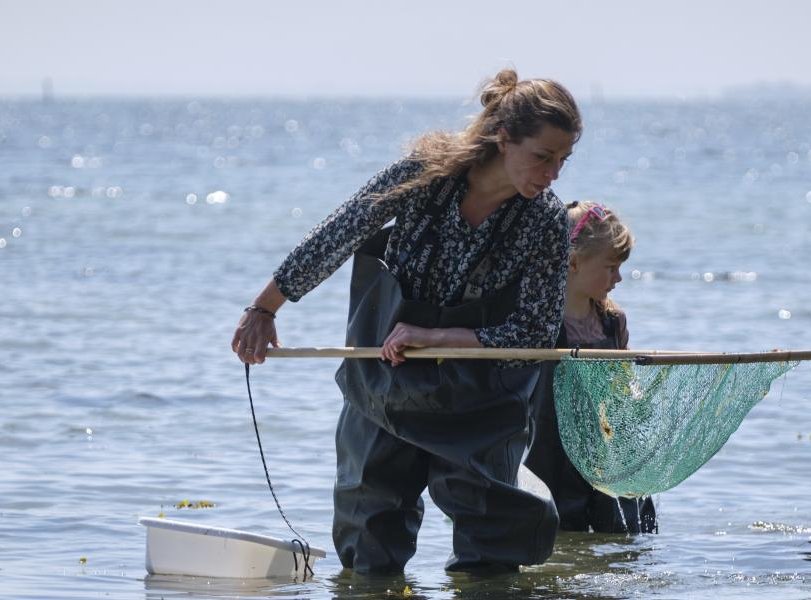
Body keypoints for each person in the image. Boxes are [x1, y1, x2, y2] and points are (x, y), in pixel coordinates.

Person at [230, 69, 581, 573]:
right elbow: (339, 232)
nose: (552, 175)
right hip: (383, 385)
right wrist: (263, 308)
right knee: (369, 546)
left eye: (562, 161)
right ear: (503, 139)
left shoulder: (545, 220)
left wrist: (437, 336)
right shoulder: (425, 172)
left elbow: (534, 336)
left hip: (481, 399)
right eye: (542, 157)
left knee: (493, 552)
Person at [523, 201, 657, 534]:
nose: (619, 277)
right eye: (611, 267)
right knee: (560, 542)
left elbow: (623, 383)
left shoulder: (612, 322)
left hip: (607, 456)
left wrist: (637, 395)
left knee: (616, 542)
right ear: (572, 262)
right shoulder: (542, 326)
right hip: (550, 458)